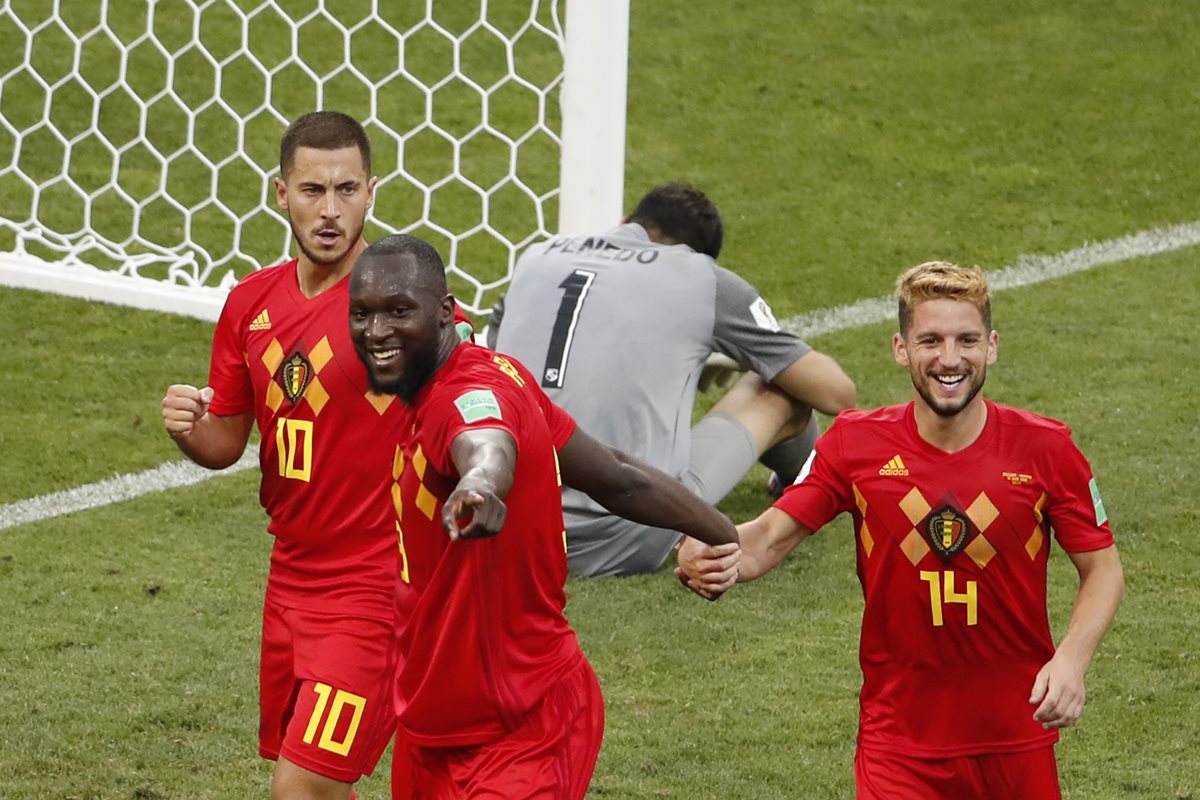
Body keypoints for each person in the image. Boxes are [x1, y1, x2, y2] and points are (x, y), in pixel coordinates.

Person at [677, 262, 1126, 799]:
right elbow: (766, 540)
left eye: (967, 340)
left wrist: (1072, 660)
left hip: (1015, 738)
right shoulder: (853, 445)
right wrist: (708, 549)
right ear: (901, 348)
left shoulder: (1048, 449)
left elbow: (1103, 569)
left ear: (993, 347)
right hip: (899, 747)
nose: (950, 359)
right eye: (930, 341)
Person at [346, 233, 740, 799]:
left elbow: (486, 445)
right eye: (363, 314)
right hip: (431, 725)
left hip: (520, 727)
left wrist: (480, 485)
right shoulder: (495, 373)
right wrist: (719, 530)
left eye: (398, 311)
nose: (376, 331)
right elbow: (615, 475)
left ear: (443, 312)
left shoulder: (470, 394)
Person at [160, 111, 472, 800]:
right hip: (290, 580)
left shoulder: (401, 306)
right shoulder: (250, 304)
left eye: (346, 189)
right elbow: (226, 444)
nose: (330, 210)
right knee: (324, 784)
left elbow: (474, 403)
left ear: (372, 193)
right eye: (312, 190)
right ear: (281, 193)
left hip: (378, 588)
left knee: (299, 787)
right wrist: (189, 428)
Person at [488, 182, 856, 577]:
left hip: (506, 521)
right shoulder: (703, 279)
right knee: (783, 390)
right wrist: (739, 358)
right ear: (700, 256)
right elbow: (837, 394)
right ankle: (800, 487)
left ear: (626, 222)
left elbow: (495, 358)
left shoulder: (537, 257)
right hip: (617, 534)